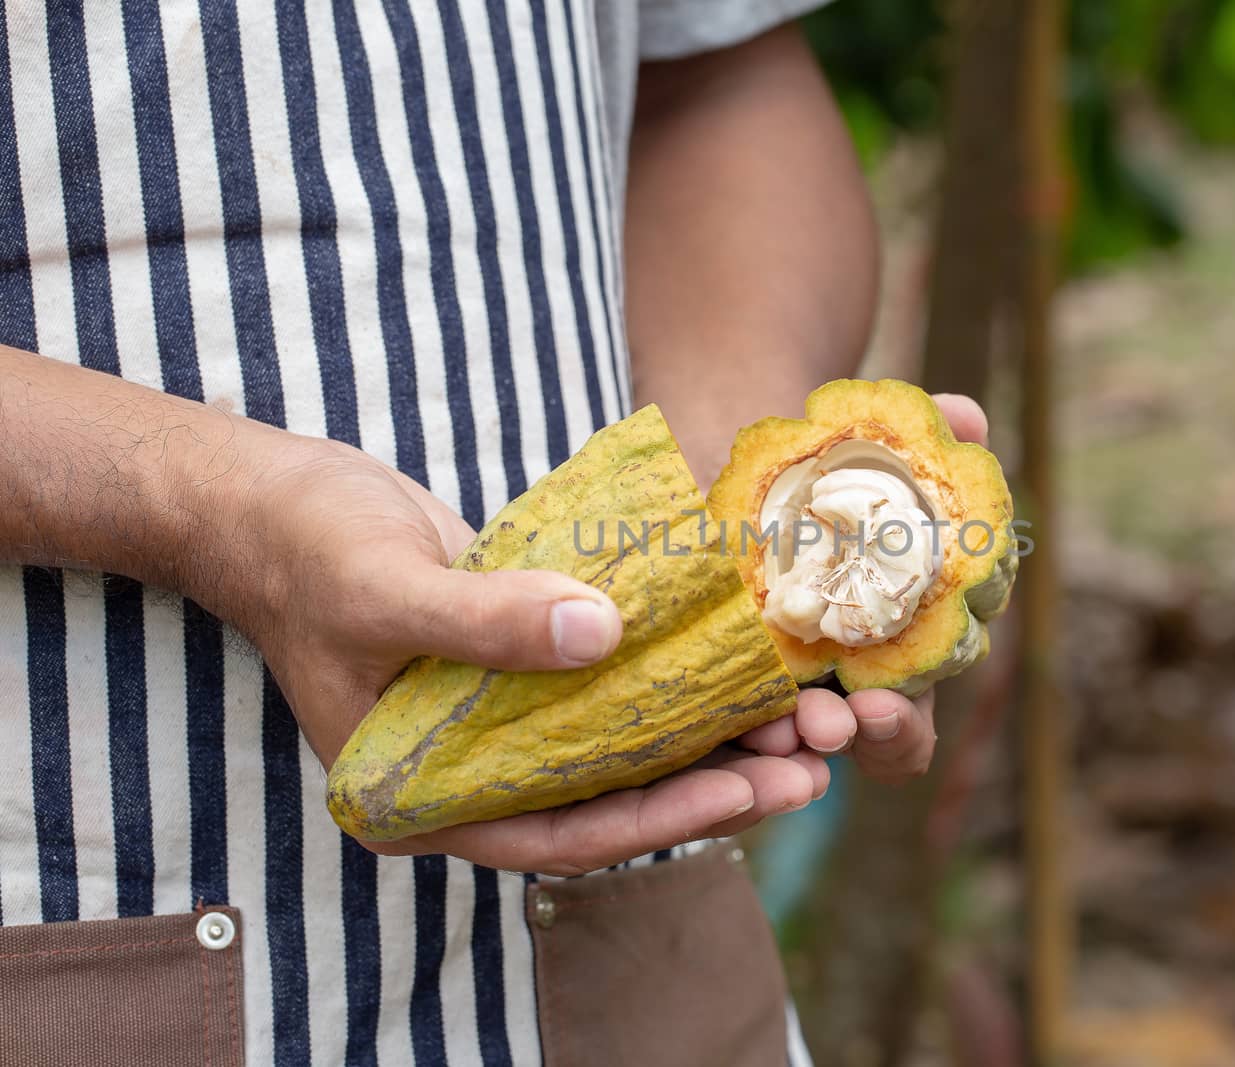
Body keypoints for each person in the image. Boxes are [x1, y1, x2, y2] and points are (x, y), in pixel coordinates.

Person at [0, 2, 987, 1063]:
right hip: (73, 917)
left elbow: (719, 83)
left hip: (642, 944)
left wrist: (733, 523)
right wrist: (221, 509)